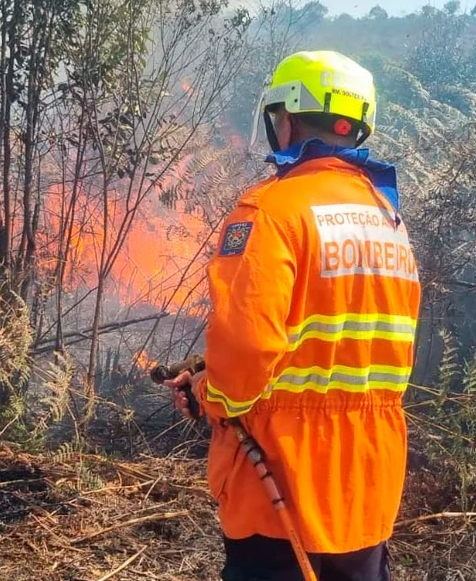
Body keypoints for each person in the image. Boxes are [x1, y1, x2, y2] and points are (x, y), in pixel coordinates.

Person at [165, 50, 421, 581]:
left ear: (286, 118)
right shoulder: (386, 219)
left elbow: (247, 349)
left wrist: (208, 394)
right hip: (366, 481)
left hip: (283, 479)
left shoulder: (273, 210)